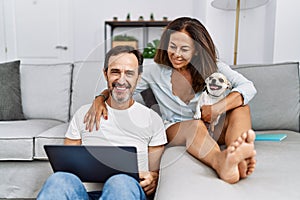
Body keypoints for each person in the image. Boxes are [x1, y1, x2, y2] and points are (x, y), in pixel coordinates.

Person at [84, 17, 257, 184]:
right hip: (177, 128)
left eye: (184, 49)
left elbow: (248, 87)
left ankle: (238, 157)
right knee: (194, 125)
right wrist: (100, 99)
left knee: (242, 108)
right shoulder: (155, 71)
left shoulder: (215, 67)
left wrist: (217, 108)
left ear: (197, 49)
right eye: (172, 46)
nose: (176, 54)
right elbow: (122, 87)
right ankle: (221, 161)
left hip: (211, 128)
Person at [37, 46, 167, 200]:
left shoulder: (152, 119)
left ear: (138, 77)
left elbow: (155, 173)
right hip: (85, 195)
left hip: (126, 191)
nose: (121, 79)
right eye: (115, 71)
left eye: (129, 73)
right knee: (58, 180)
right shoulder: (83, 114)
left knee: (120, 182)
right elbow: (67, 168)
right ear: (105, 74)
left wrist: (153, 179)